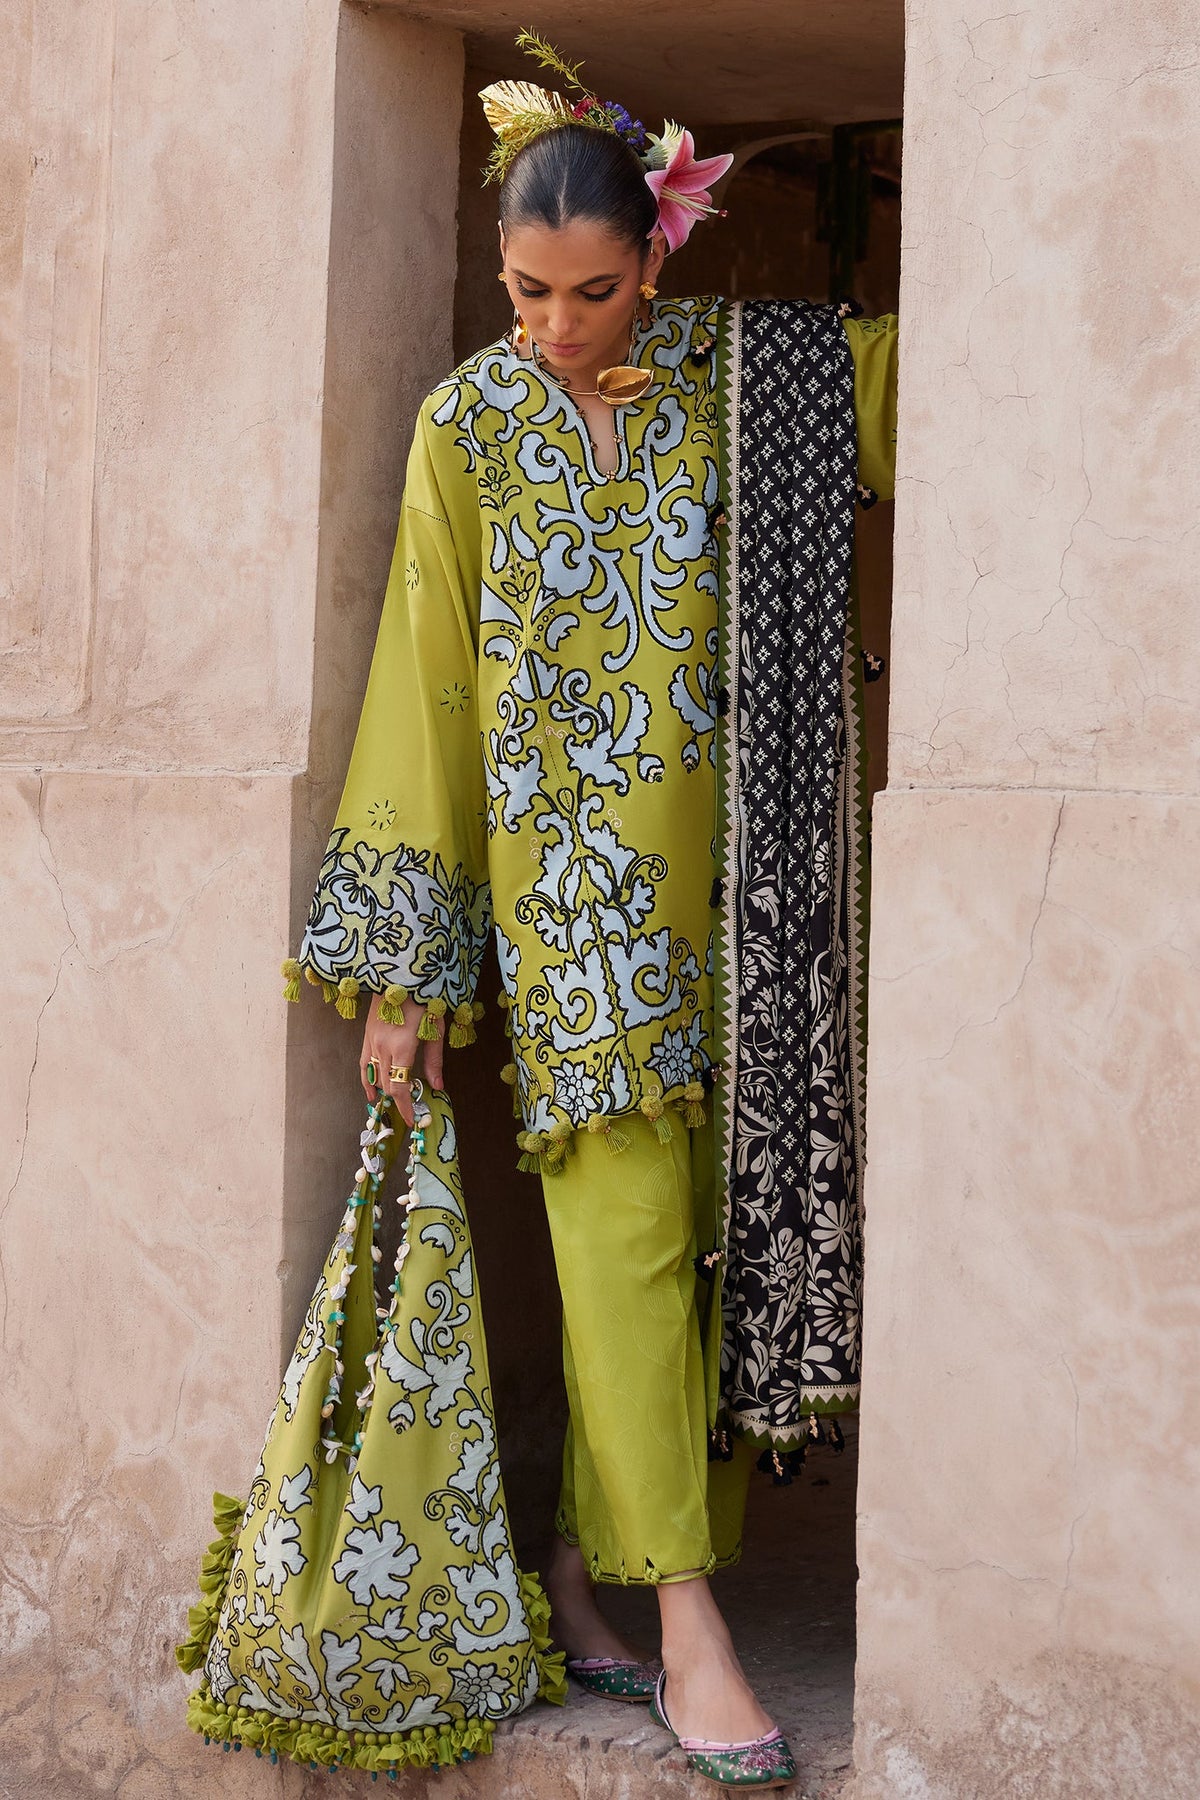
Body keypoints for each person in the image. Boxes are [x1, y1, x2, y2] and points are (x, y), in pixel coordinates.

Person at [287, 41, 896, 1792]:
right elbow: (426, 689)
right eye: (528, 292)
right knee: (621, 1239)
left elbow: (948, 385)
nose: (558, 327)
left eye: (595, 292)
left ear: (660, 261)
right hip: (573, 912)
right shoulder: (468, 431)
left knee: (701, 1242)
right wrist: (405, 972)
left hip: (745, 905)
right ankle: (689, 1622)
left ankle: (579, 1568)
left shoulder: (742, 383)